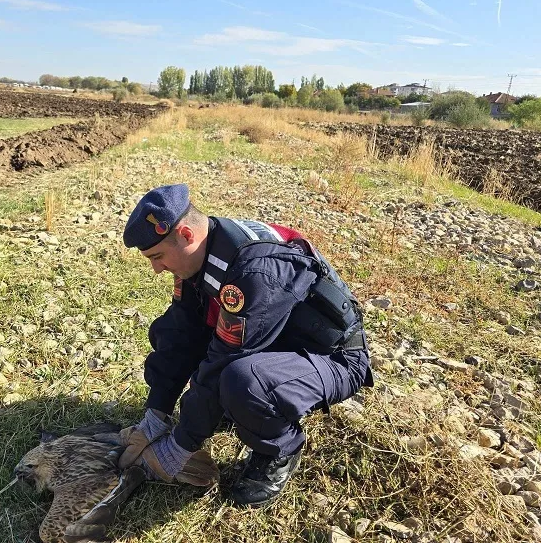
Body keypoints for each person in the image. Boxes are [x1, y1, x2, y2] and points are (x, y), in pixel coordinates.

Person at [117, 184, 374, 507]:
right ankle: (230, 409)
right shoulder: (200, 252)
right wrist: (157, 410)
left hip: (330, 357)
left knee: (243, 381)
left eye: (157, 257)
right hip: (273, 341)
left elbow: (223, 361)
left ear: (185, 234)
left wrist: (178, 448)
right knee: (169, 331)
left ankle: (280, 449)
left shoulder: (254, 271)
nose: (156, 269)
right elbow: (182, 333)